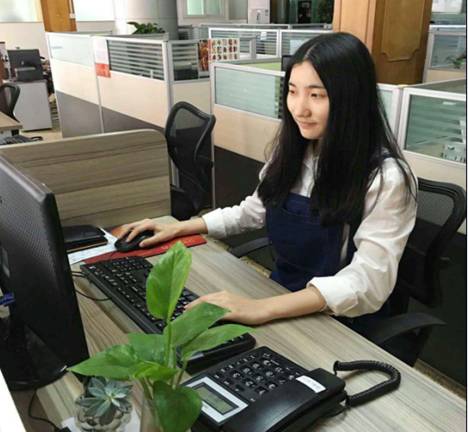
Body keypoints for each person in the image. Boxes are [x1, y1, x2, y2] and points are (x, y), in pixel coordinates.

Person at [119, 33, 417, 332]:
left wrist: (261, 308)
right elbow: (253, 212)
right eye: (292, 91)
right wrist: (180, 227)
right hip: (280, 295)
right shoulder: (292, 151)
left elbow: (367, 284)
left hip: (340, 319)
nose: (299, 109)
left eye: (317, 95)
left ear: (352, 100)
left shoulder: (385, 178)